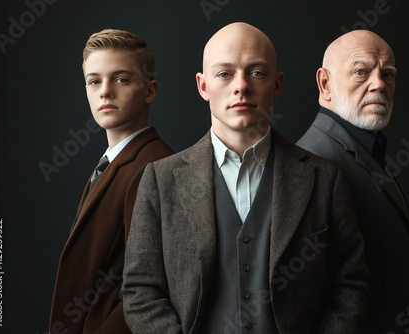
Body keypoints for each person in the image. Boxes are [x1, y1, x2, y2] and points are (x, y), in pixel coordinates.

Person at [122, 22, 369, 334]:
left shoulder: (325, 180)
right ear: (203, 86)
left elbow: (349, 286)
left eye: (257, 73)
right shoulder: (160, 180)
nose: (241, 86)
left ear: (277, 85)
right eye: (225, 74)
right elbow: (140, 291)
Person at [297, 30, 409, 333]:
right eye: (361, 71)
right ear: (325, 84)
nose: (379, 84)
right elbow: (304, 301)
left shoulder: (366, 151)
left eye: (388, 74)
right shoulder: (312, 165)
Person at [49, 29, 174, 334]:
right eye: (94, 81)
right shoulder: (111, 164)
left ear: (150, 90)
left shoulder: (155, 167)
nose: (104, 91)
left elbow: (153, 286)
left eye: (121, 79)